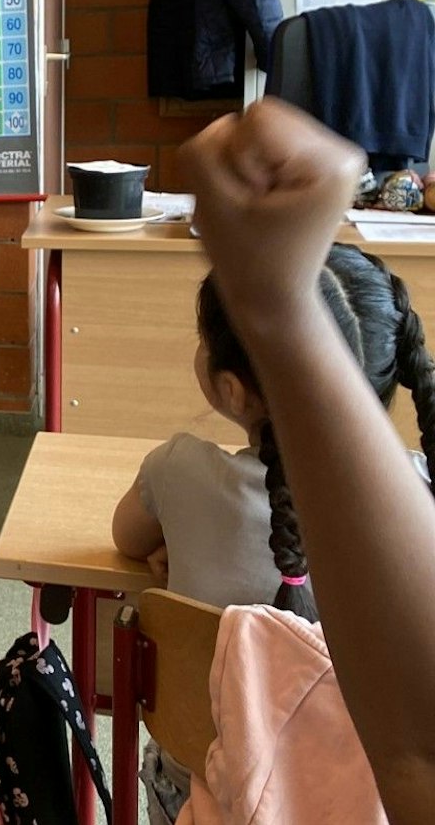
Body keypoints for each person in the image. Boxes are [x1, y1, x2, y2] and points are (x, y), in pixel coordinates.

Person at [111, 243, 434, 822]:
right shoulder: (419, 500)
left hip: (201, 784)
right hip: (363, 798)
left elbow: (126, 539)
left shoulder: (178, 470)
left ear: (232, 391)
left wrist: (180, 537)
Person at [178, 99, 435, 823]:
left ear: (230, 389)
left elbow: (420, 745)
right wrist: (279, 306)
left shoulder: (180, 469)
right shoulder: (418, 516)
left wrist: (277, 306)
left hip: (216, 784)